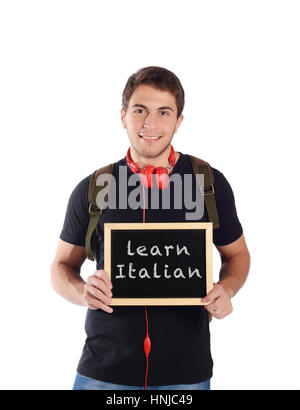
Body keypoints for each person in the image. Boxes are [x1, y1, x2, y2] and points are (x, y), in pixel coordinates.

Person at [50, 66, 250, 391]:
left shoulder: (208, 184)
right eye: (139, 110)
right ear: (123, 115)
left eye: (163, 112)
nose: (150, 124)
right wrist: (82, 292)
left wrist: (227, 289)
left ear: (178, 121)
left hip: (186, 374)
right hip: (103, 372)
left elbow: (238, 254)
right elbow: (61, 267)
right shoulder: (96, 187)